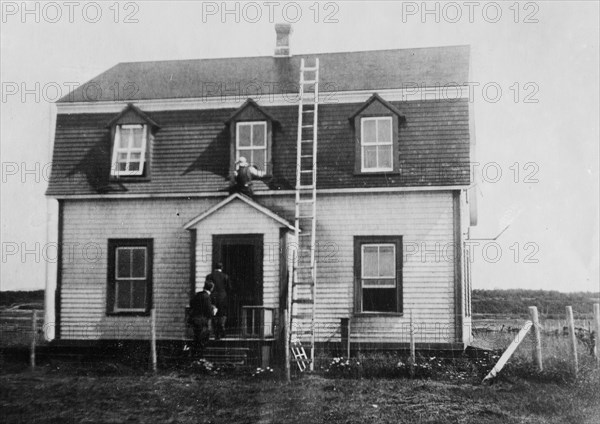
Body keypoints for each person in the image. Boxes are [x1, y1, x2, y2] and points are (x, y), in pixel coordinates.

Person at [188, 280, 215, 357]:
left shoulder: (197, 295)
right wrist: (214, 311)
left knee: (196, 339)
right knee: (202, 340)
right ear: (211, 288)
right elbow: (209, 312)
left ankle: (195, 357)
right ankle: (200, 357)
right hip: (202, 321)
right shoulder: (206, 297)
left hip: (195, 320)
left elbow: (191, 304)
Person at [207, 262, 232, 340]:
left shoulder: (209, 276)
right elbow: (229, 288)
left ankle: (216, 333)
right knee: (222, 314)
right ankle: (222, 328)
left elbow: (207, 287)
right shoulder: (225, 276)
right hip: (222, 297)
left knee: (214, 314)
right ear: (222, 268)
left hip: (213, 297)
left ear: (214, 267)